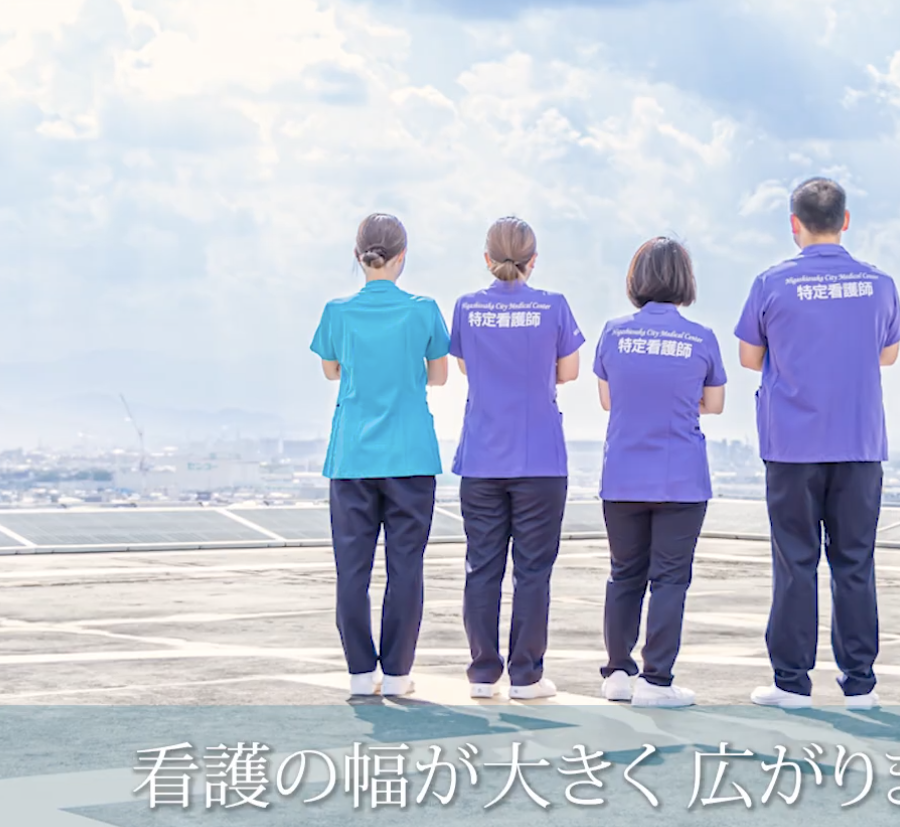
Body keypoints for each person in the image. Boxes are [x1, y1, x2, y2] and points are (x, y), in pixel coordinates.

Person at [735, 177, 900, 709]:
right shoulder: (879, 284)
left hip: (792, 445)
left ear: (795, 224)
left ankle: (791, 682)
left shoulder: (771, 283)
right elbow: (888, 353)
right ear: (845, 221)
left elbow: (748, 357)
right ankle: (859, 684)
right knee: (855, 563)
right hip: (858, 442)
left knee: (795, 563)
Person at [311, 213, 451, 699]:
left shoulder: (337, 311)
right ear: (402, 256)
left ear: (358, 255)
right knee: (405, 567)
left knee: (352, 570)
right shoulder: (423, 309)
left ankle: (358, 672)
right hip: (410, 455)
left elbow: (331, 370)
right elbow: (439, 377)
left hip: (352, 456)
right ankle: (396, 673)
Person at [449, 217, 584, 701]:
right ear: (533, 260)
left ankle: (483, 674)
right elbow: (569, 371)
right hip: (540, 457)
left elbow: (465, 367)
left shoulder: (467, 307)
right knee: (532, 571)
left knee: (481, 567)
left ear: (487, 259)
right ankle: (526, 675)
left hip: (482, 456)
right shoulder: (554, 306)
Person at [592, 237, 727, 708]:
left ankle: (616, 673)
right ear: (685, 280)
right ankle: (656, 681)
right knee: (670, 579)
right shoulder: (701, 337)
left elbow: (608, 401)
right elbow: (714, 403)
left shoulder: (614, 333)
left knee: (624, 574)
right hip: (681, 476)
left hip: (623, 474)